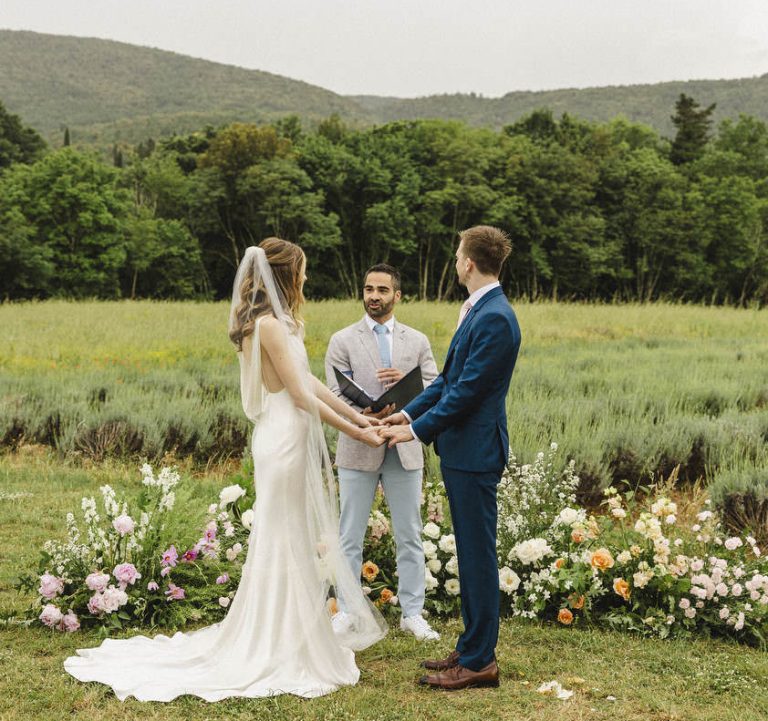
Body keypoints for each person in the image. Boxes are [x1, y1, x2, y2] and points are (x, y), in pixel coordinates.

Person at [64, 238, 388, 701]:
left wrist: (361, 417)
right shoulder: (270, 327)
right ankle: (273, 639)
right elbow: (298, 394)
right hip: (282, 438)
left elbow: (312, 382)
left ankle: (292, 632)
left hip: (289, 434)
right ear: (286, 276)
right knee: (280, 534)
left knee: (291, 533)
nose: (307, 278)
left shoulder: (281, 325)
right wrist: (357, 434)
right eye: (303, 271)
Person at [381, 226, 521, 691]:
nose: (455, 260)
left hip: (477, 452)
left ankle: (480, 661)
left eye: (458, 253)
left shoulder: (496, 317)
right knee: (469, 552)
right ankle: (470, 647)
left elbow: (466, 393)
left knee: (478, 556)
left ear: (468, 263)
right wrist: (403, 414)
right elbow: (444, 381)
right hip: (463, 450)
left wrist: (416, 432)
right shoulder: (477, 310)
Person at [325, 264, 440, 640]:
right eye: (368, 289)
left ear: (397, 295)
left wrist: (408, 390)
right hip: (358, 444)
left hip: (403, 445)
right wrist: (365, 414)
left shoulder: (417, 341)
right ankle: (346, 611)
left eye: (382, 290)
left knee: (409, 532)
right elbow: (333, 393)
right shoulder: (341, 340)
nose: (373, 295)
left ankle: (412, 613)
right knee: (349, 534)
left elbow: (436, 387)